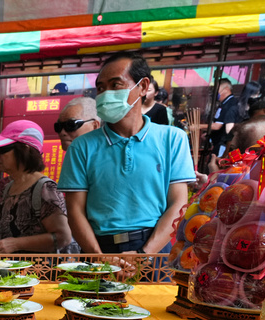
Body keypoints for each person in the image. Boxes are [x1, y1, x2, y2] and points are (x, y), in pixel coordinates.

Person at [57, 51, 196, 255]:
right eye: (101, 88)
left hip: (156, 248)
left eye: (115, 85)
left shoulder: (173, 139)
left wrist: (143, 255)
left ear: (142, 86)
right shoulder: (81, 147)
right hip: (99, 249)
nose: (105, 94)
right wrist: (99, 258)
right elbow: (75, 212)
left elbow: (178, 203)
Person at [0, 120, 74, 255]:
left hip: (37, 274)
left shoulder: (45, 188)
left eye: (3, 149)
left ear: (25, 149)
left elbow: (63, 238)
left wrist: (15, 244)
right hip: (6, 273)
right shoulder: (7, 188)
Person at [208, 78, 240, 157]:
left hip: (222, 144)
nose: (215, 93)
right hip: (216, 142)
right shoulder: (224, 103)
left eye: (217, 89)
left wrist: (197, 126)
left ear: (226, 89)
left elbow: (218, 126)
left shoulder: (231, 105)